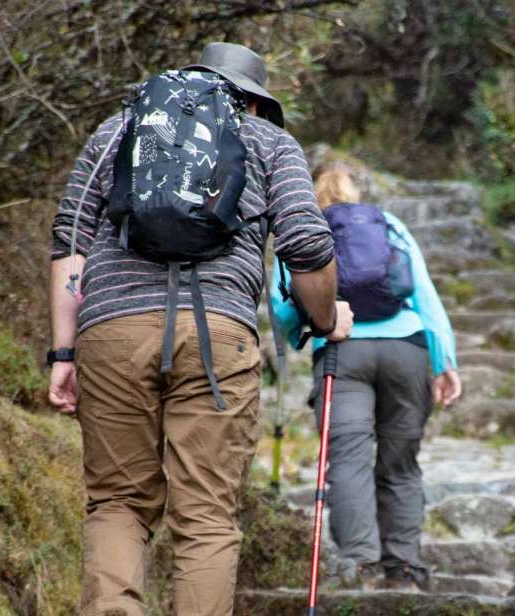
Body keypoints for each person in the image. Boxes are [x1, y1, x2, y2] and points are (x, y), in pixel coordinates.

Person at [46, 42, 353, 616]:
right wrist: (327, 319)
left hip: (112, 331)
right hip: (218, 334)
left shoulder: (118, 130)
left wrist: (64, 352)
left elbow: (70, 242)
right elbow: (308, 246)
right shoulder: (267, 141)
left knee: (117, 503)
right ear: (256, 103)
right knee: (206, 515)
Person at [271, 162, 462, 591]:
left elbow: (282, 305)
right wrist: (444, 361)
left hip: (342, 353)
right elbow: (425, 294)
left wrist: (303, 335)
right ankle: (405, 569)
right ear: (355, 193)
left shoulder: (302, 226)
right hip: (407, 350)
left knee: (350, 464)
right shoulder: (388, 224)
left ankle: (361, 568)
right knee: (401, 466)